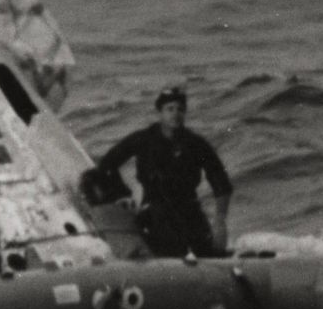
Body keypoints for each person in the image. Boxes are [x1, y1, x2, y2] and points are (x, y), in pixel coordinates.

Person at [88, 86, 233, 259]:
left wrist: (220, 221)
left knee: (212, 255)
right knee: (173, 251)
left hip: (189, 211)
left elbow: (221, 182)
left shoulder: (195, 144)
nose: (175, 114)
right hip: (155, 211)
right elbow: (107, 164)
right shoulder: (144, 139)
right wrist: (122, 194)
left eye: (180, 109)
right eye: (169, 109)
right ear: (160, 112)